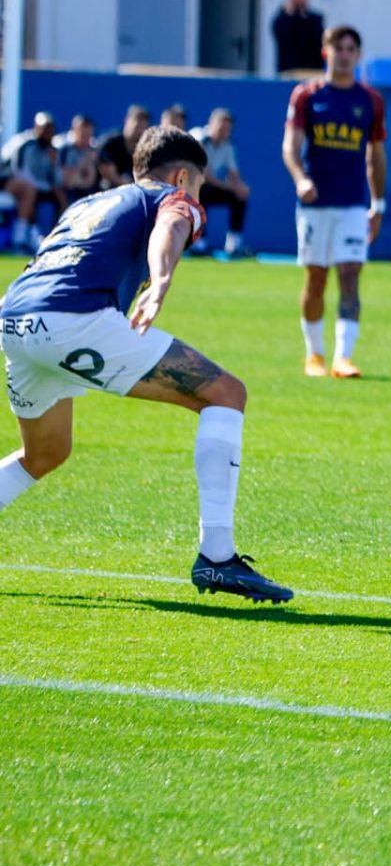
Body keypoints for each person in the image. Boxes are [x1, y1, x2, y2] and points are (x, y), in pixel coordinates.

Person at [0, 127, 290, 603]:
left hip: (15, 322)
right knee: (226, 394)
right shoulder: (174, 195)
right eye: (196, 185)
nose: (196, 197)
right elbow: (172, 224)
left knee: (44, 455)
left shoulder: (88, 203)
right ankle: (217, 557)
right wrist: (161, 280)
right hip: (74, 320)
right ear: (182, 176)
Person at [282, 25, 387, 380]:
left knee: (351, 275)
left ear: (358, 55)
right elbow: (290, 146)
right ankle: (314, 354)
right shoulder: (307, 96)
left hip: (353, 204)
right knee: (316, 278)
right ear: (326, 52)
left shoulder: (369, 100)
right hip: (315, 204)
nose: (344, 54)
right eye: (338, 48)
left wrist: (378, 204)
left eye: (350, 48)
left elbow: (376, 155)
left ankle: (344, 358)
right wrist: (301, 179)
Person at [189, 108, 252, 257]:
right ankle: (199, 243)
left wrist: (241, 187)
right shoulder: (199, 138)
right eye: (221, 127)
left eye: (227, 129)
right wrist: (233, 186)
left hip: (206, 187)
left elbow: (233, 174)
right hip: (184, 189)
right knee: (201, 191)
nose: (223, 131)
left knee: (239, 197)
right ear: (210, 123)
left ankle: (234, 244)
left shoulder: (228, 145)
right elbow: (205, 176)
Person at [3, 113, 64, 249]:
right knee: (29, 190)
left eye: (50, 130)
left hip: (36, 188)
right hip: (6, 181)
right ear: (36, 128)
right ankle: (19, 238)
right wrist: (46, 187)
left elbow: (57, 179)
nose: (47, 134)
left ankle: (52, 236)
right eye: (44, 129)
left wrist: (54, 165)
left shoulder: (52, 150)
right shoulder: (25, 144)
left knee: (60, 196)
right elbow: (19, 173)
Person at [271, 0, 325, 74]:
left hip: (312, 69)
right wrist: (289, 15)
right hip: (289, 69)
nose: (299, 0)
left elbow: (318, 39)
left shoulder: (315, 19)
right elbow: (281, 36)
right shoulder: (282, 19)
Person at [55, 113, 105, 203]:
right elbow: (67, 181)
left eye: (88, 134)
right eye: (82, 134)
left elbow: (91, 181)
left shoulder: (95, 149)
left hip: (88, 191)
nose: (86, 138)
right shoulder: (63, 149)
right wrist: (83, 163)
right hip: (66, 191)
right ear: (74, 131)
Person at [95, 105, 146, 187]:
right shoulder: (109, 143)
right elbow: (107, 173)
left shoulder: (145, 147)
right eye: (137, 125)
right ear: (126, 120)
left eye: (143, 126)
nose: (139, 130)